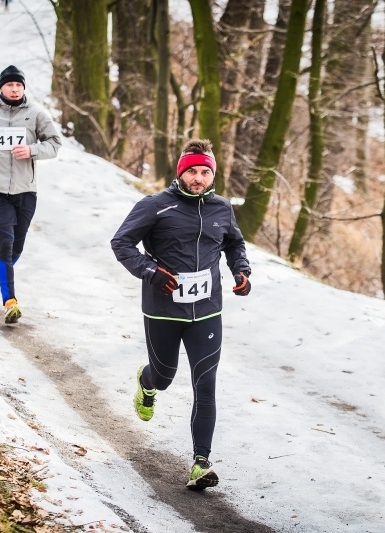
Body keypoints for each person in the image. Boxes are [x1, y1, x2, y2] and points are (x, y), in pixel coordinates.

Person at [110, 139, 252, 490]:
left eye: (205, 172)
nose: (199, 178)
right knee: (165, 376)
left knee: (206, 384)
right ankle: (147, 383)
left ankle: (200, 462)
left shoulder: (222, 208)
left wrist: (241, 271)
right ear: (181, 173)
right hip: (163, 310)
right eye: (193, 171)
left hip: (207, 310)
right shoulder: (156, 206)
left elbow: (233, 244)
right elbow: (122, 243)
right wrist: (151, 272)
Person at [0, 65, 62, 324]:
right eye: (10, 85)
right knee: (5, 242)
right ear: (1, 88)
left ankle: (2, 269)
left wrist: (31, 150)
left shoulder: (36, 114)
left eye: (19, 85)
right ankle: (10, 302)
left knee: (17, 245)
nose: (15, 89)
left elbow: (54, 144)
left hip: (26, 191)